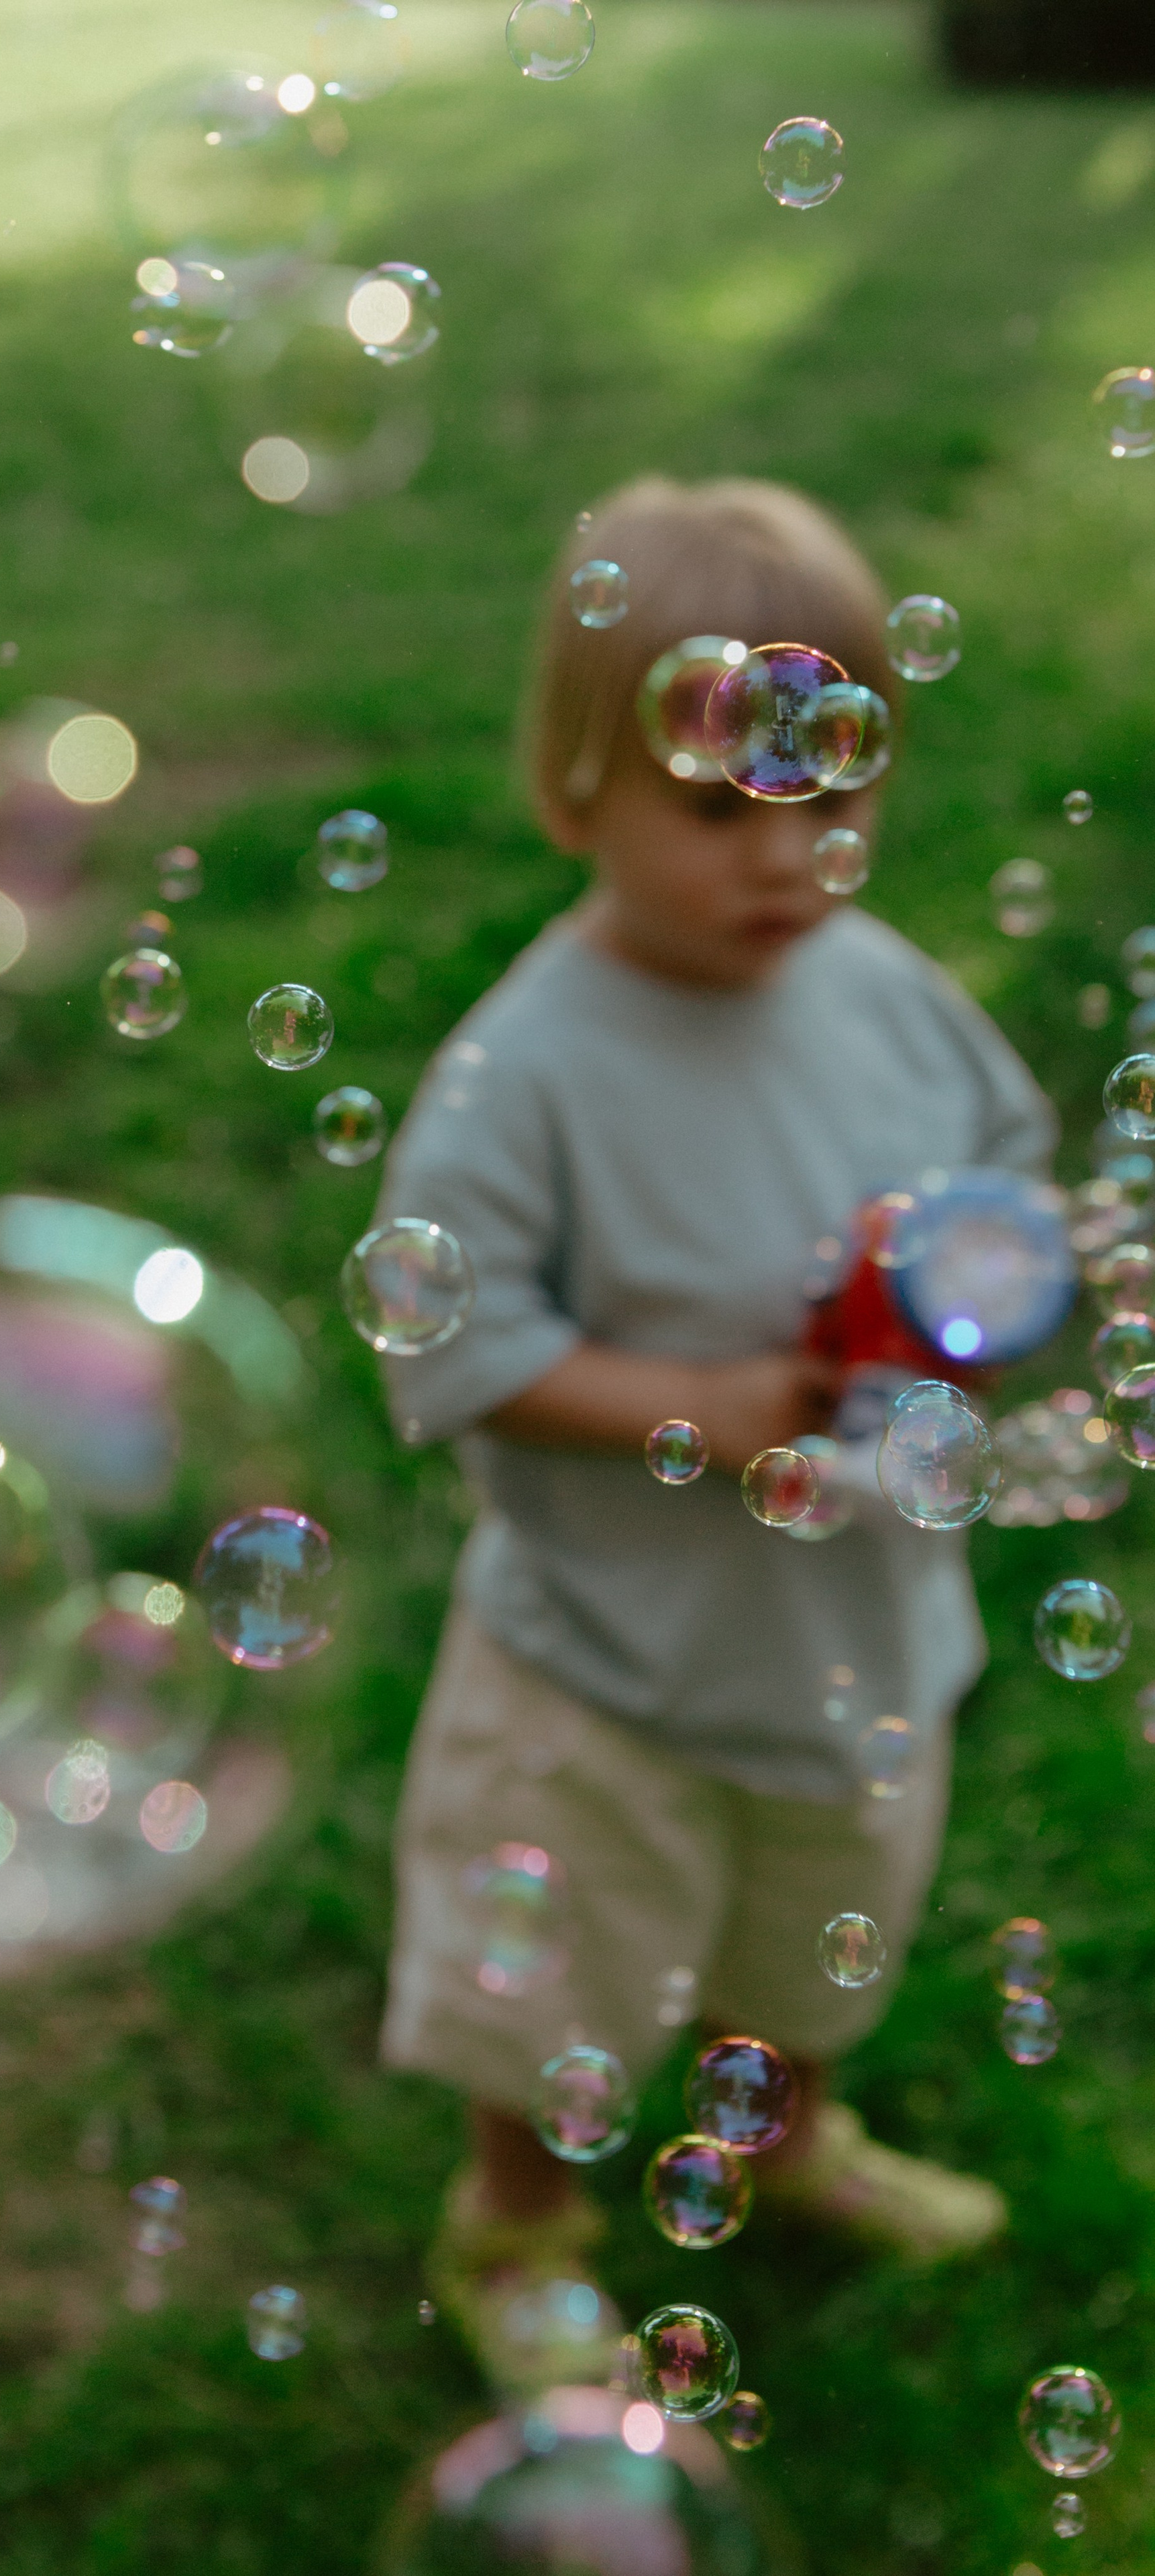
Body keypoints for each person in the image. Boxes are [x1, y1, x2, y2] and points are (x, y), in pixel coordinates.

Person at [373, 476, 1055, 2398]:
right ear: (571, 793)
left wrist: (970, 1300)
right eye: (716, 807)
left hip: (856, 1638)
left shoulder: (888, 999)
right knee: (556, 1991)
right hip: (607, 1668)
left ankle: (785, 2138)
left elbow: (999, 1177)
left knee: (822, 1934)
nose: (788, 855)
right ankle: (517, 2220)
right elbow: (447, 1336)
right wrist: (712, 1406)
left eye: (833, 796)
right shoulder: (532, 1069)